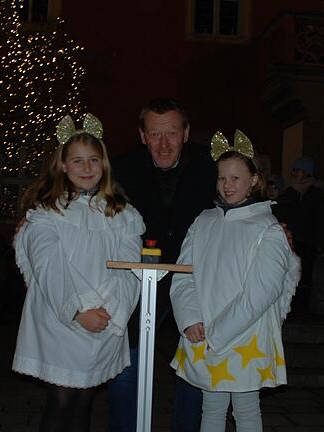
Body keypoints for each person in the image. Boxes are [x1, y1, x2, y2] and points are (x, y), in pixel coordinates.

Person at [13, 113, 144, 432]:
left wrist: (110, 312)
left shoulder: (122, 214)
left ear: (104, 164)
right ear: (62, 166)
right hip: (62, 321)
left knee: (86, 401)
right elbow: (49, 267)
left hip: (105, 320)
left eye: (93, 160)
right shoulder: (47, 214)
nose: (86, 168)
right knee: (60, 402)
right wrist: (78, 309)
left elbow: (129, 268)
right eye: (78, 161)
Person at [170, 130, 300, 431]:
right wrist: (190, 318)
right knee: (211, 407)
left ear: (254, 180)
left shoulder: (267, 228)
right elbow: (183, 273)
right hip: (203, 331)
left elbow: (262, 291)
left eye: (236, 178)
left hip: (245, 335)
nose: (227, 186)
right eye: (222, 178)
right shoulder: (204, 222)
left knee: (246, 409)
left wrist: (220, 333)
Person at [109, 98, 217, 432]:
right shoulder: (119, 168)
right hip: (138, 287)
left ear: (185, 133)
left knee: (196, 369)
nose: (164, 143)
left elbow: (243, 195)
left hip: (193, 284)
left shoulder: (211, 165)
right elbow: (77, 195)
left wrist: (274, 226)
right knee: (126, 367)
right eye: (155, 134)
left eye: (171, 133)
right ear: (142, 135)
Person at [273, 156, 324, 314]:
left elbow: (320, 220)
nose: (294, 173)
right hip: (291, 239)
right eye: (293, 170)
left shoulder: (315, 194)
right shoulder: (291, 192)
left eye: (298, 170)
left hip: (307, 241)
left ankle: (302, 307)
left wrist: (320, 242)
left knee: (304, 275)